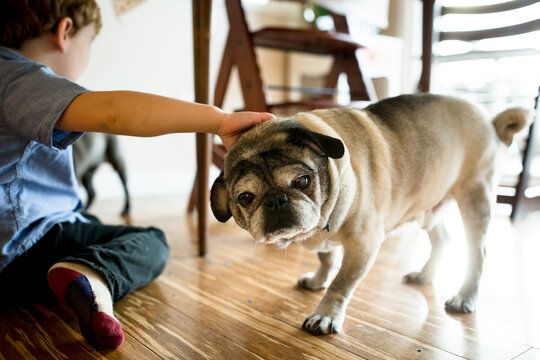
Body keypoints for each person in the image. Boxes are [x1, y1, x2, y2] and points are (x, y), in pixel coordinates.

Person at [0, 0, 274, 349]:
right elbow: (114, 111)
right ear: (64, 32)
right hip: (25, 251)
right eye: (91, 42)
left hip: (13, 257)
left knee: (89, 218)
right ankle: (92, 275)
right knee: (152, 241)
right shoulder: (22, 79)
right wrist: (218, 121)